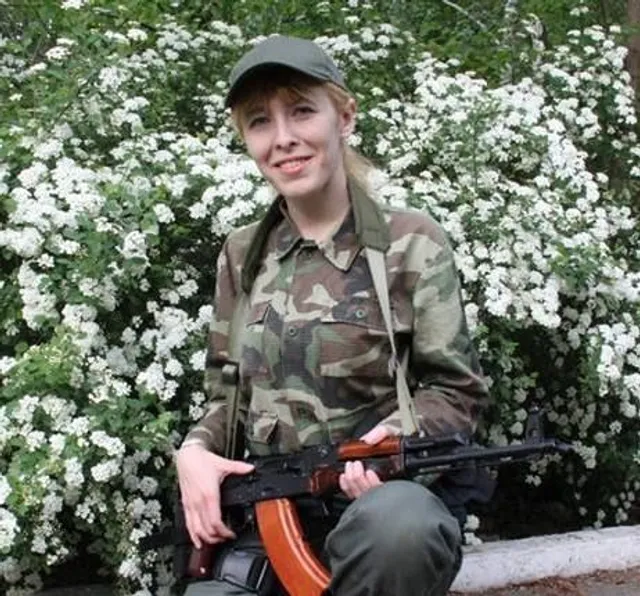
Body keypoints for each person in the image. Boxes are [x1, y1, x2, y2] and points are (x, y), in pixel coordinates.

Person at [175, 35, 490, 596]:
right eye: (260, 121)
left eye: (301, 111)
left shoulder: (410, 242)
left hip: (377, 507)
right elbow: (227, 395)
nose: (283, 138)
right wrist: (195, 451)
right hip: (269, 512)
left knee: (401, 528)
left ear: (344, 117)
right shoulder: (242, 254)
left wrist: (391, 441)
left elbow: (456, 391)